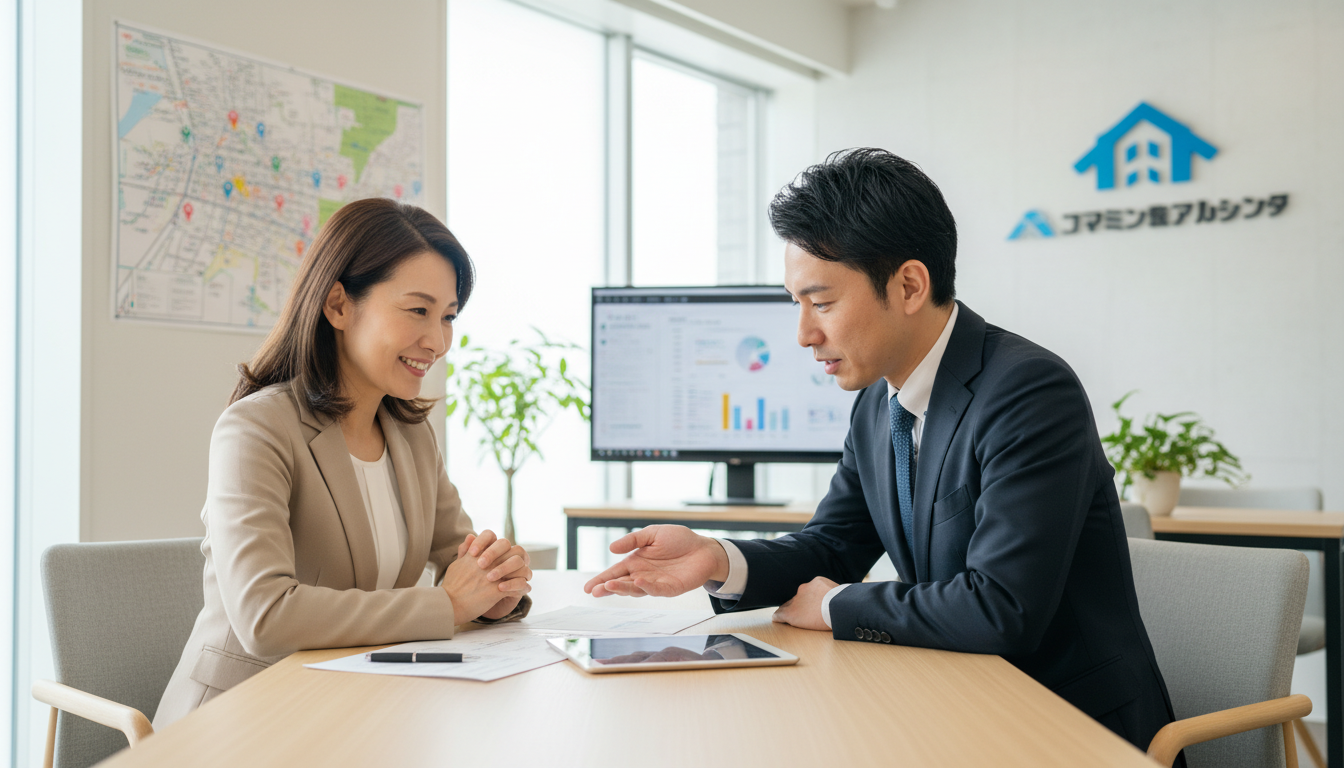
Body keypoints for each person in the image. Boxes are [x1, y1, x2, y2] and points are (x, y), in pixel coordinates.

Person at [584, 148, 1181, 756]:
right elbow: (835, 544)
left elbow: (1003, 608)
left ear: (909, 285)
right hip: (956, 702)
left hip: (1066, 726)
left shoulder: (1028, 391)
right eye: (798, 305)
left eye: (822, 303)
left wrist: (837, 604)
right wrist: (715, 559)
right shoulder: (878, 404)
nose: (804, 334)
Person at [156, 199, 532, 727]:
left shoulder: (411, 434)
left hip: (354, 707)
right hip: (239, 721)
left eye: (448, 317)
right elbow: (265, 616)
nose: (439, 341)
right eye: (418, 310)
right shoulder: (256, 430)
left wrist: (497, 588)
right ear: (338, 305)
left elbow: (458, 557)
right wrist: (446, 605)